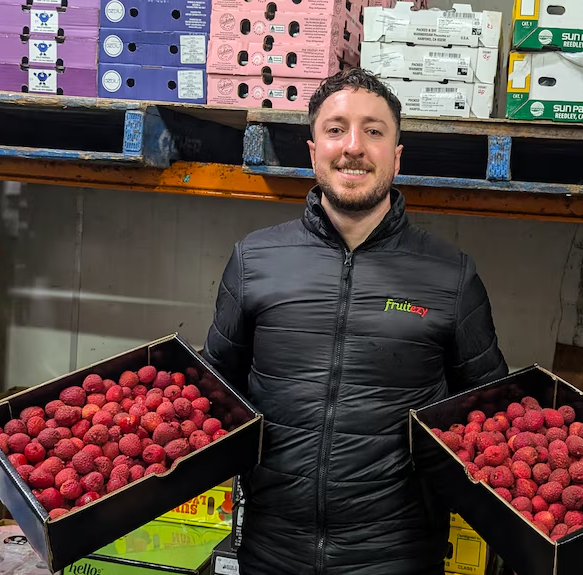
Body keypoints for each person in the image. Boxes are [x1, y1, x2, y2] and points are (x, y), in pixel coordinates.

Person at [202, 68, 507, 575]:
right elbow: (213, 393)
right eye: (336, 129)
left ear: (396, 155)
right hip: (273, 550)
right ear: (313, 150)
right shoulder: (254, 259)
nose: (353, 147)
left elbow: (490, 416)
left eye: (373, 131)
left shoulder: (450, 276)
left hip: (399, 557)